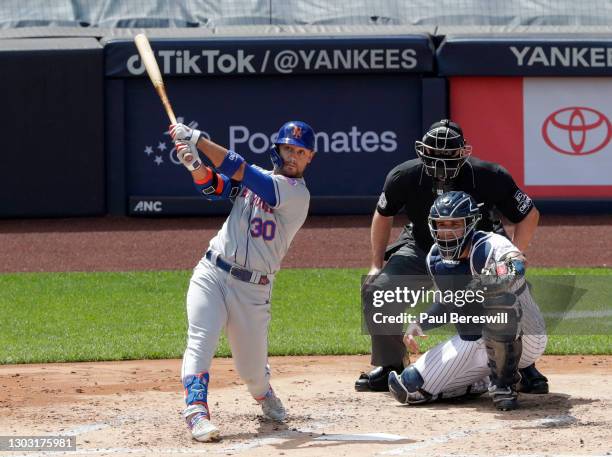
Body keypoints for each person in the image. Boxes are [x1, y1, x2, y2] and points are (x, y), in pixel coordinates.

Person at [356, 119, 548, 394]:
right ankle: (390, 364)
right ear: (422, 152)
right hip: (423, 244)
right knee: (379, 291)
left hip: (476, 249)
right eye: (434, 155)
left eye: (448, 155)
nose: (441, 162)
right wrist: (376, 265)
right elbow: (383, 214)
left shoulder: (489, 175)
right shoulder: (404, 176)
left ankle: (521, 365)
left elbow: (529, 214)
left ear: (462, 153)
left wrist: (513, 253)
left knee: (511, 290)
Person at [169, 120, 315, 441]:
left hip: (253, 290)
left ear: (309, 158)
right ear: (277, 149)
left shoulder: (296, 195)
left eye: (300, 152)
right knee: (201, 338)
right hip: (212, 272)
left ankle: (263, 393)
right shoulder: (259, 178)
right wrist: (194, 164)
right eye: (288, 148)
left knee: (252, 372)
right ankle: (196, 409)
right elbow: (214, 188)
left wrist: (198, 140)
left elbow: (241, 170)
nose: (293, 156)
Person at [388, 191, 547, 411]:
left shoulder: (490, 245)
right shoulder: (435, 258)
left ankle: (503, 386)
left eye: (455, 224)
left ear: (470, 224)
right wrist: (421, 322)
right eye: (441, 224)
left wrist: (490, 279)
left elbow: (518, 262)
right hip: (479, 340)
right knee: (409, 387)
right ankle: (480, 381)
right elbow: (448, 302)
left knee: (497, 296)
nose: (447, 231)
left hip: (528, 336)